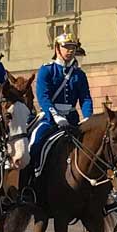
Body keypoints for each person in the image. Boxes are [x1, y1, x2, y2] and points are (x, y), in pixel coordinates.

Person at [19, 32, 93, 213]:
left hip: (72, 119)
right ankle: (27, 188)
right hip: (50, 119)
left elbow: (85, 98)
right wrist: (55, 115)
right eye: (66, 47)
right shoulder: (47, 70)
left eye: (72, 48)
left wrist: (88, 117)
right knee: (33, 146)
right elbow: (43, 97)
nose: (69, 51)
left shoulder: (79, 74)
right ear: (57, 49)